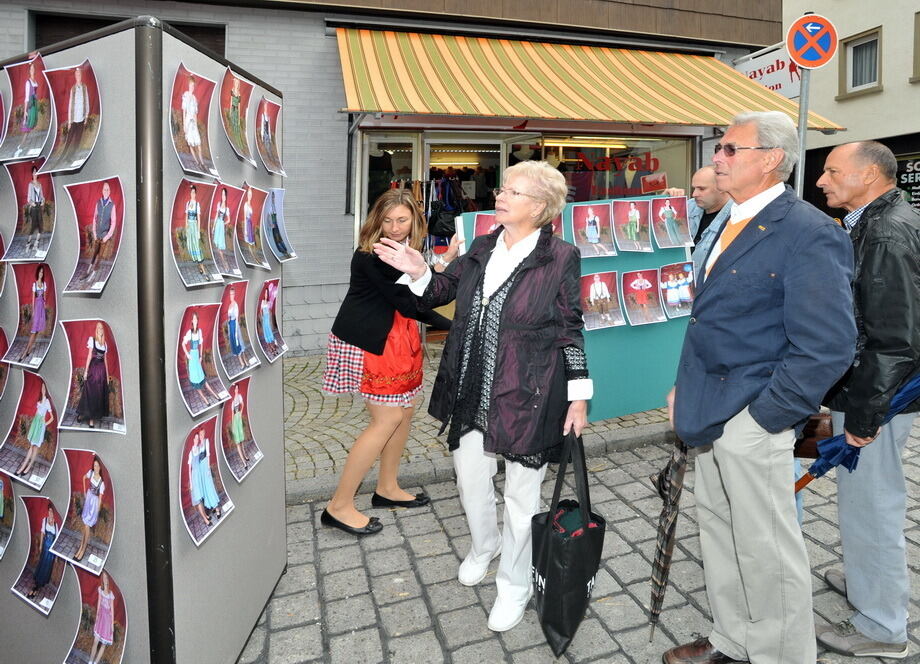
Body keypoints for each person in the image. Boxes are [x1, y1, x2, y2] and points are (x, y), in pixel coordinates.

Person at [663, 111, 857, 664]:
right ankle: (734, 639)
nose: (717, 157)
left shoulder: (809, 232)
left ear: (770, 159)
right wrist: (684, 389)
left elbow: (828, 347)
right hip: (708, 410)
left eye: (729, 148)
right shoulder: (727, 219)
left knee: (767, 550)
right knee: (721, 537)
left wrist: (765, 419)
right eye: (718, 148)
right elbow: (712, 321)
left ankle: (779, 655)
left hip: (754, 418)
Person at [374, 161, 591, 633]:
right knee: (470, 477)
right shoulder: (482, 244)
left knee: (521, 495)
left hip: (527, 390)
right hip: (470, 385)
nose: (499, 195)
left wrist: (578, 397)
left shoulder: (561, 256)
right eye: (502, 188)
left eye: (511, 191)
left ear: (538, 206)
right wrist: (418, 271)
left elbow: (570, 329)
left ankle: (514, 583)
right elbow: (443, 290)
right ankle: (484, 545)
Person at [815, 141, 920, 659]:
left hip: (878, 394)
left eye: (833, 171)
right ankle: (866, 583)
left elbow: (895, 337)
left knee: (872, 505)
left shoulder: (885, 231)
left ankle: (883, 626)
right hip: (874, 389)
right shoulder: (874, 221)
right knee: (862, 500)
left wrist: (864, 413)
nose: (821, 181)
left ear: (870, 174)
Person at [321, 188, 452, 537]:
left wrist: (441, 264)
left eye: (402, 220)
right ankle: (339, 506)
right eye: (388, 220)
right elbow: (411, 303)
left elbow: (417, 289)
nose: (395, 227)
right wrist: (456, 325)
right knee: (388, 417)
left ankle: (387, 488)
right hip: (371, 342)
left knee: (405, 412)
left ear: (414, 221)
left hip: (397, 339)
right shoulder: (374, 254)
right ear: (376, 221)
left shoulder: (405, 251)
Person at [686, 166, 733, 274]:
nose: (694, 194)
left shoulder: (738, 216)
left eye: (701, 189)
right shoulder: (689, 206)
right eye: (694, 188)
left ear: (722, 187)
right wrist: (665, 198)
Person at [16, 381, 53, 477]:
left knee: (35, 447)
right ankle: (22, 466)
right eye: (42, 388)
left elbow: (51, 417)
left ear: (47, 389)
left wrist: (45, 424)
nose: (43, 389)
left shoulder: (47, 402)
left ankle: (28, 467)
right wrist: (34, 423)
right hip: (35, 424)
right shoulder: (39, 401)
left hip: (40, 427)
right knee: (31, 446)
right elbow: (37, 413)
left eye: (44, 388)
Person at [76, 321, 109, 428]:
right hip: (93, 369)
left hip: (101, 372)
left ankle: (91, 419)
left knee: (97, 395)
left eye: (102, 328)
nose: (100, 329)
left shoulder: (105, 344)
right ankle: (82, 414)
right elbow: (89, 356)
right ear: (96, 329)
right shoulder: (92, 340)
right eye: (98, 328)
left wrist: (107, 375)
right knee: (89, 393)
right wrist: (86, 371)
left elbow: (105, 360)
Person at [182, 310, 220, 404]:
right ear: (192, 320)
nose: (195, 320)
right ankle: (205, 400)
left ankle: (215, 395)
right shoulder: (189, 333)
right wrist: (187, 354)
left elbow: (201, 344)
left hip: (197, 356)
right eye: (193, 319)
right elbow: (183, 344)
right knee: (195, 378)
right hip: (192, 357)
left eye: (196, 319)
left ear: (197, 320)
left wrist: (201, 356)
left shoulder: (199, 331)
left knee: (202, 377)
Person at [74, 455, 104, 562]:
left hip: (94, 504)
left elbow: (100, 498)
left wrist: (97, 511)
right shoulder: (90, 473)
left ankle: (82, 550)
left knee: (87, 527)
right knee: (85, 527)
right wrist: (84, 491)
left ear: (100, 468)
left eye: (97, 466)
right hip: (88, 500)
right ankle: (81, 548)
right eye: (94, 465)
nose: (95, 468)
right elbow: (83, 478)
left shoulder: (102, 483)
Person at [188, 431, 221, 526]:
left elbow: (208, 455)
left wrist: (207, 469)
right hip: (200, 472)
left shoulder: (206, 441)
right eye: (199, 435)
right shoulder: (197, 448)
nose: (201, 437)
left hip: (205, 468)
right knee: (206, 490)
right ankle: (214, 508)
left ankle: (217, 509)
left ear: (204, 434)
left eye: (202, 434)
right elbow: (193, 463)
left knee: (210, 488)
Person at [87, 181, 116, 283]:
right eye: (105, 189)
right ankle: (89, 269)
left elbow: (113, 223)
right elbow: (95, 218)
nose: (106, 191)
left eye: (108, 189)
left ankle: (94, 274)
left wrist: (107, 236)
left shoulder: (112, 205)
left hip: (104, 234)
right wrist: (94, 233)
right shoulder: (98, 203)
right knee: (95, 252)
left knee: (100, 255)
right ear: (102, 191)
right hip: (97, 233)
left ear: (110, 191)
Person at [19, 264, 48, 363]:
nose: (41, 273)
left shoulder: (44, 284)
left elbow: (44, 298)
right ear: (37, 273)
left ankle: (29, 349)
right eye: (40, 272)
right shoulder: (34, 284)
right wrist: (33, 311)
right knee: (33, 330)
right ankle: (25, 351)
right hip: (36, 307)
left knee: (37, 331)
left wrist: (44, 309)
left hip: (41, 309)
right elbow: (32, 299)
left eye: (42, 272)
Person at [27, 504, 57, 599]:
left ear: (54, 513)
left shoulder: (56, 526)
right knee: (42, 564)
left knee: (47, 567)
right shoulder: (44, 520)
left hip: (51, 551)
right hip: (45, 547)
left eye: (52, 511)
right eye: (49, 511)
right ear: (48, 511)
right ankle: (35, 586)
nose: (50, 513)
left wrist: (55, 556)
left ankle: (37, 588)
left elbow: (56, 540)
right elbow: (42, 533)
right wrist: (40, 546)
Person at [88, 571, 115, 664]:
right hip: (101, 618)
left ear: (109, 579)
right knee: (96, 641)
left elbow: (112, 610)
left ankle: (96, 662)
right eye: (103, 578)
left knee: (103, 644)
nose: (105, 580)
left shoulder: (111, 594)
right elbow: (99, 602)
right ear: (102, 580)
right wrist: (97, 615)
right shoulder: (100, 589)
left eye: (106, 578)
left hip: (107, 619)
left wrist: (112, 624)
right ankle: (90, 661)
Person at [63, 65, 89, 156]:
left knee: (77, 139)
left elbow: (87, 101)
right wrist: (69, 121)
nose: (78, 76)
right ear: (75, 76)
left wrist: (86, 116)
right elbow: (70, 105)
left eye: (79, 74)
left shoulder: (84, 87)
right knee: (69, 138)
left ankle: (70, 156)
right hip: (74, 118)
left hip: (81, 118)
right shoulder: (73, 89)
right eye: (76, 74)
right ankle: (64, 154)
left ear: (81, 76)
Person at [185, 184, 209, 280]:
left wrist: (198, 231)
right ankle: (199, 266)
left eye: (194, 192)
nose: (192, 194)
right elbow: (186, 216)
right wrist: (186, 226)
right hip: (189, 227)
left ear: (196, 194)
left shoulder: (197, 204)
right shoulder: (187, 203)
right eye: (191, 192)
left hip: (194, 226)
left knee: (197, 246)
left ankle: (204, 271)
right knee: (191, 246)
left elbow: (198, 218)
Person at [181, 76, 204, 168]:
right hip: (187, 121)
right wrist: (184, 125)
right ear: (188, 85)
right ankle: (197, 162)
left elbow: (195, 113)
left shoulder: (194, 98)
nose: (192, 87)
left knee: (198, 143)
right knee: (190, 143)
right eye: (191, 85)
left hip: (193, 123)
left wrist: (196, 123)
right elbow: (184, 111)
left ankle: (202, 162)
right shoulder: (186, 95)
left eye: (193, 86)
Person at [229, 383, 249, 469]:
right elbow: (232, 415)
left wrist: (241, 412)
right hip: (235, 421)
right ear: (234, 390)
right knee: (237, 442)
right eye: (235, 389)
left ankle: (245, 456)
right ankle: (244, 462)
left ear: (238, 389)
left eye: (237, 389)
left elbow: (243, 404)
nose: (236, 390)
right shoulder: (233, 402)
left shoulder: (239, 397)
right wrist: (233, 425)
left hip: (239, 418)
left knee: (241, 440)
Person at [24, 165, 44, 252]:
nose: (35, 173)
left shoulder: (40, 184)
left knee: (40, 226)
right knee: (33, 226)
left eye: (36, 172)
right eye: (34, 172)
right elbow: (28, 198)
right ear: (32, 173)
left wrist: (43, 201)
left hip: (39, 206)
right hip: (33, 207)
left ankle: (36, 244)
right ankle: (28, 244)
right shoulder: (30, 184)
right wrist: (32, 204)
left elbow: (42, 196)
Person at [212, 187, 230, 257]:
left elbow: (229, 220)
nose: (223, 196)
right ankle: (219, 257)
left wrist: (223, 223)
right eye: (222, 194)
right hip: (217, 225)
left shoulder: (227, 208)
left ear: (226, 196)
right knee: (216, 242)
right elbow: (216, 216)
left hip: (221, 225)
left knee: (220, 243)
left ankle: (222, 258)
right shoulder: (219, 204)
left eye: (224, 195)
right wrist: (213, 226)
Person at [226, 287, 244, 357]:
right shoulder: (230, 305)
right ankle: (238, 357)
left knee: (237, 339)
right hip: (230, 324)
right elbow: (229, 316)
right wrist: (228, 319)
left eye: (232, 294)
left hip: (234, 324)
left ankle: (243, 360)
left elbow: (236, 318)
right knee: (233, 340)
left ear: (234, 295)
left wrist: (236, 329)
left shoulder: (235, 305)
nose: (231, 296)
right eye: (230, 294)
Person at [227, 75, 244, 148]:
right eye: (235, 83)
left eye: (237, 83)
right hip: (233, 110)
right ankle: (233, 140)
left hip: (236, 111)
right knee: (232, 124)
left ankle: (239, 143)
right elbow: (231, 101)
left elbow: (239, 106)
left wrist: (239, 116)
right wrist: (230, 112)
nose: (236, 84)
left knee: (237, 126)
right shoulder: (232, 90)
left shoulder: (239, 94)